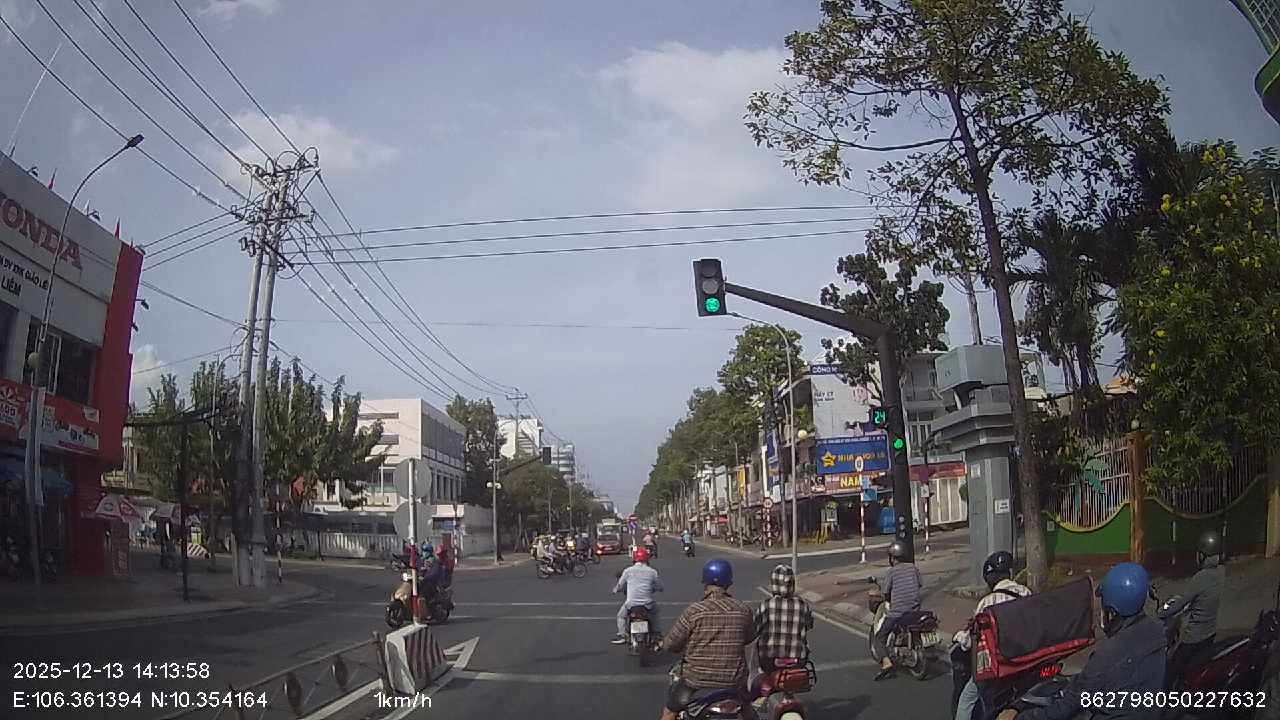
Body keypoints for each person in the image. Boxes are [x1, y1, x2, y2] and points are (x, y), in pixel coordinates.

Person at [1013, 562, 1166, 720]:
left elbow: (1064, 708)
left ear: (1112, 611)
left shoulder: (1107, 655)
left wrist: (1019, 717)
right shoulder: (1157, 631)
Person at [659, 559, 760, 720]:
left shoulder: (694, 611)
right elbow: (749, 637)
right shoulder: (743, 610)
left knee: (670, 712)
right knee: (749, 712)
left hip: (696, 682)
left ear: (705, 583)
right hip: (734, 682)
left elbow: (672, 643)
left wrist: (664, 645)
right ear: (729, 583)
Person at [953, 551, 1031, 720]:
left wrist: (960, 637)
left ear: (989, 578)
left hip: (998, 664)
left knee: (967, 698)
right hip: (1026, 657)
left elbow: (971, 639)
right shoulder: (1026, 592)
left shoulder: (987, 602)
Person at [1160, 530, 1223, 689]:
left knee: (1171, 670)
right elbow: (1203, 598)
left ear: (1202, 555)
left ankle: (1165, 700)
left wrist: (1161, 613)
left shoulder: (1201, 577)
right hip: (1210, 633)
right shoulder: (1220, 572)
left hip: (1194, 638)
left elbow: (1180, 603)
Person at [751, 564, 813, 684]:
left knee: (756, 652)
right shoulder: (803, 605)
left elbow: (756, 628)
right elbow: (809, 625)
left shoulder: (766, 605)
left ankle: (756, 687)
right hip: (798, 660)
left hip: (769, 661)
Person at [873, 541, 923, 681]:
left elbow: (885, 593)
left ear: (892, 558)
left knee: (879, 637)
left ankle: (887, 663)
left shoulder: (891, 572)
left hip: (898, 612)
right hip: (915, 610)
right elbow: (920, 584)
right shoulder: (913, 568)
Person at [611, 546, 663, 644]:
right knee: (656, 613)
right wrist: (658, 589)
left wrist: (615, 590)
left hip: (631, 603)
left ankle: (622, 635)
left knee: (621, 616)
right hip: (647, 604)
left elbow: (620, 585)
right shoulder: (652, 572)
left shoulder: (628, 571)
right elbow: (659, 586)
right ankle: (657, 633)